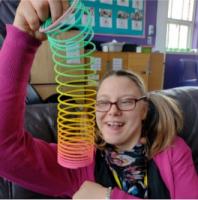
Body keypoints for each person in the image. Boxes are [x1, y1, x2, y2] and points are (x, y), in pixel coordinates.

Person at [0, 0, 197, 199]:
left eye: (126, 101)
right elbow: (4, 149)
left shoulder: (173, 152)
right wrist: (22, 38)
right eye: (103, 102)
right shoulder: (79, 163)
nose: (112, 110)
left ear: (144, 110)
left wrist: (107, 197)